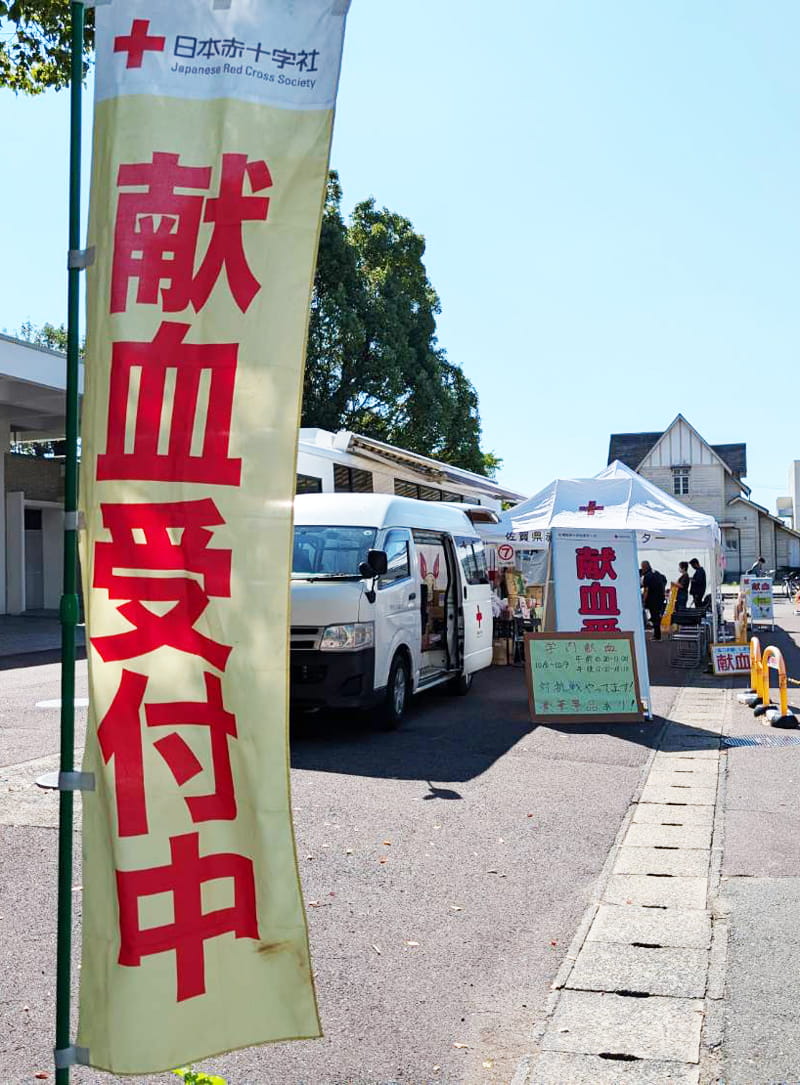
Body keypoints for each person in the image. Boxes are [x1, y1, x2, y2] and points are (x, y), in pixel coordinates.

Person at [641, 560, 666, 640]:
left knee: (655, 617)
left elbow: (646, 590)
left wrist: (644, 601)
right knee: (656, 617)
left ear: (644, 567)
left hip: (653, 599)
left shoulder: (648, 576)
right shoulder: (656, 572)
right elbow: (664, 581)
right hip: (660, 598)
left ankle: (657, 635)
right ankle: (657, 634)